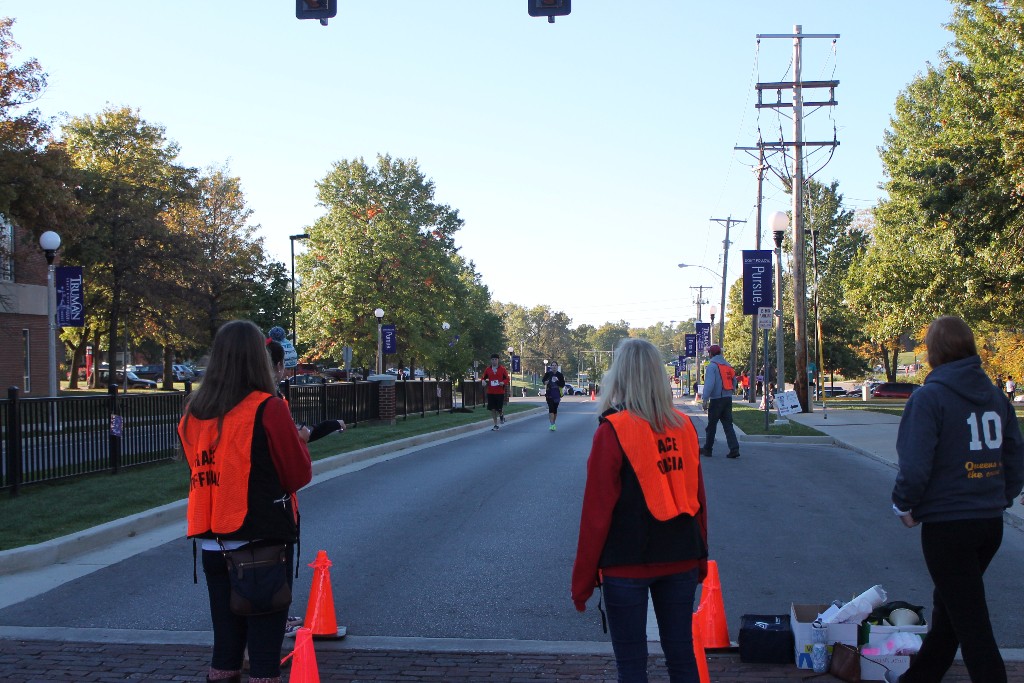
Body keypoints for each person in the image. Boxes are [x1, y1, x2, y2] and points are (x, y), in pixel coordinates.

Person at [887, 316, 1023, 683]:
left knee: (970, 620)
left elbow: (915, 463)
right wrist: (1002, 495)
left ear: (935, 351)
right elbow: (1014, 454)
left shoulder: (929, 397)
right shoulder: (995, 396)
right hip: (988, 523)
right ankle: (920, 677)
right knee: (951, 608)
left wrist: (904, 503)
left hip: (948, 526)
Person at [179, 320, 312, 683]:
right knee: (265, 656)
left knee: (225, 649)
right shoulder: (269, 408)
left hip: (212, 540)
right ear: (259, 359)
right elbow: (298, 475)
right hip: (260, 543)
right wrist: (300, 440)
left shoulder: (194, 412)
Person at [572, 338, 708, 683]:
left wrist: (583, 580)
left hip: (625, 562)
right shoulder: (684, 426)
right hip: (682, 556)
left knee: (632, 665)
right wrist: (701, 560)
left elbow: (596, 514)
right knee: (682, 656)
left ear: (619, 377)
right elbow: (699, 500)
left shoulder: (613, 430)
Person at [267, 340, 345, 442]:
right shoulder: (273, 402)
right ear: (279, 365)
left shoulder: (248, 394)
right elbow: (289, 437)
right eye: (287, 368)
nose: (288, 374)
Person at [701, 345, 740, 458]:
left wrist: (705, 399)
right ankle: (734, 448)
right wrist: (730, 392)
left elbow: (709, 384)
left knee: (712, 425)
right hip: (727, 398)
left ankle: (708, 449)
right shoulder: (727, 365)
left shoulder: (712, 366)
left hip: (716, 399)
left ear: (711, 354)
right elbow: (734, 381)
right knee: (728, 424)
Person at [481, 353, 510, 431]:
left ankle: (501, 415)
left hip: (500, 392)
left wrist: (503, 382)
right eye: (493, 359)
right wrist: (483, 381)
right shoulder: (488, 369)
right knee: (493, 409)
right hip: (491, 392)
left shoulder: (502, 369)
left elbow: (507, 378)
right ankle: (495, 425)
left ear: (498, 360)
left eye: (495, 359)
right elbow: (483, 377)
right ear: (491, 360)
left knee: (499, 408)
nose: (494, 361)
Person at [542, 362, 565, 431]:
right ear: (551, 367)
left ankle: (553, 423)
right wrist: (547, 381)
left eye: (555, 365)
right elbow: (543, 381)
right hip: (549, 394)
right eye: (553, 365)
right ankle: (552, 424)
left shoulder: (560, 375)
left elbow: (562, 384)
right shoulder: (548, 374)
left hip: (557, 395)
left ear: (557, 367)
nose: (554, 367)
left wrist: (557, 381)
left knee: (555, 410)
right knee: (551, 409)